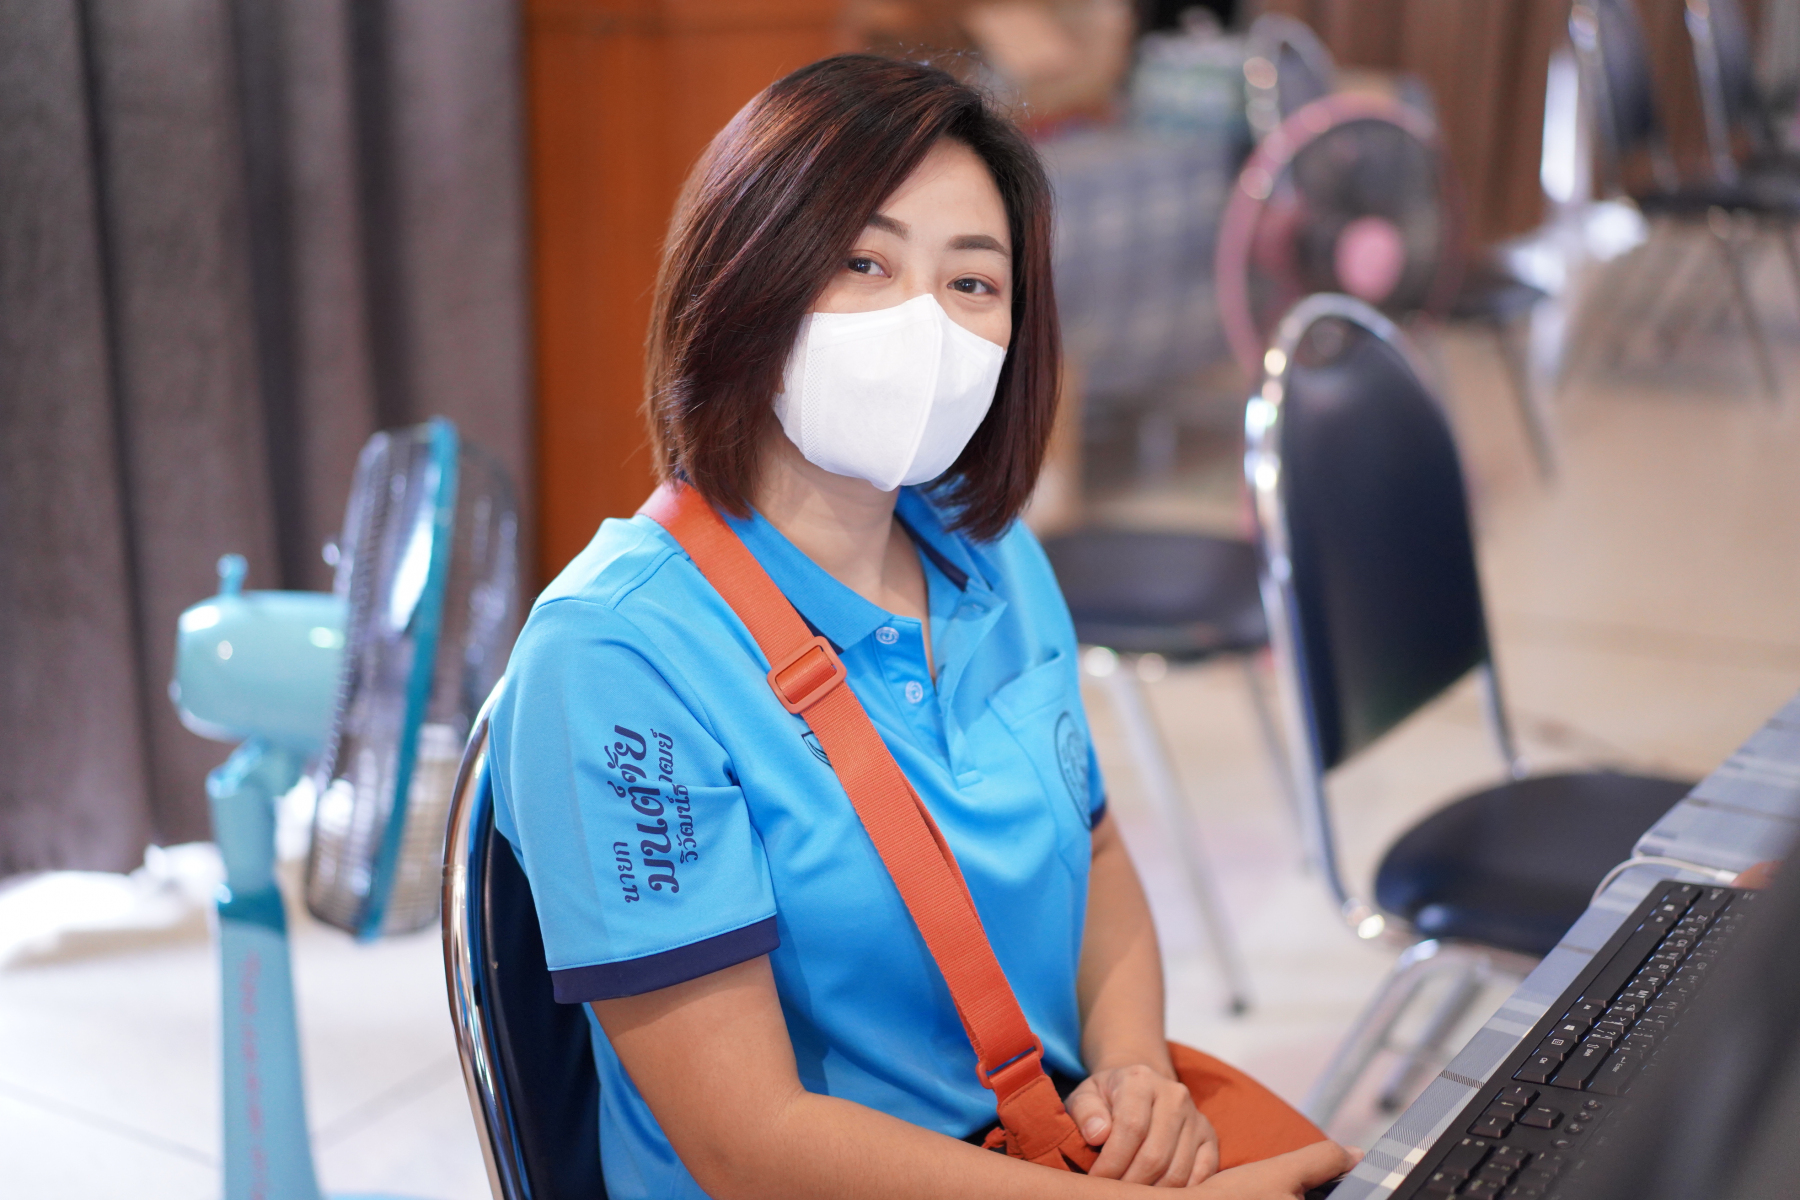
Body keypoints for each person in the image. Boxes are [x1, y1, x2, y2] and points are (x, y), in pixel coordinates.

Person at [488, 53, 1355, 1199]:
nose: (925, 324)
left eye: (973, 283)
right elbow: (747, 1146)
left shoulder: (994, 555)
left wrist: (1136, 1071)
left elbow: (1095, 852)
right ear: (745, 278)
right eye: (864, 262)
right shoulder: (614, 655)